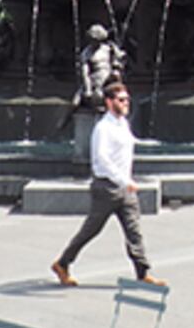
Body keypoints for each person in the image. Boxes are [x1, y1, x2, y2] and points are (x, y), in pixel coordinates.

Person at [51, 82, 164, 287]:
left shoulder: (123, 124)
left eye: (127, 99)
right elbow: (102, 159)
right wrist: (124, 180)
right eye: (121, 100)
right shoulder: (103, 128)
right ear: (109, 102)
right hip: (107, 188)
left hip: (124, 188)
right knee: (91, 230)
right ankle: (62, 263)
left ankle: (143, 272)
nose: (126, 103)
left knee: (134, 231)